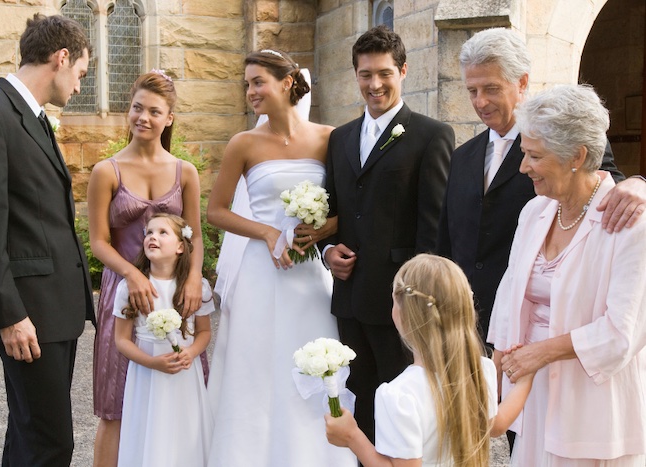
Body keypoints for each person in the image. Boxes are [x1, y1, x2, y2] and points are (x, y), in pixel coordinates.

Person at [437, 27, 646, 347]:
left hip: (533, 329)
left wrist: (639, 183)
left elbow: (608, 185)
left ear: (522, 82)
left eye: (491, 88)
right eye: (472, 90)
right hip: (465, 330)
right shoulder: (462, 157)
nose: (480, 102)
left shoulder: (565, 143)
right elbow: (447, 242)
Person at [0, 14, 94, 466]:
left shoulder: (34, 119)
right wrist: (10, 315)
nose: (79, 86)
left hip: (53, 309)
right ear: (61, 57)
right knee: (51, 443)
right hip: (28, 314)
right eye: (81, 74)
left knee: (30, 434)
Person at [206, 49, 357, 467]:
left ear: (288, 82)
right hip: (261, 271)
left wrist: (321, 231)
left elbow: (351, 207)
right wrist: (268, 232)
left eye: (258, 82)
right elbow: (215, 211)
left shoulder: (330, 138)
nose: (251, 91)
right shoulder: (244, 143)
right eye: (247, 84)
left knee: (317, 362)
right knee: (256, 366)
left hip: (310, 276)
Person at [488, 84, 646, 465]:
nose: (523, 167)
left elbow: (620, 335)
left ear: (577, 156)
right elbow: (509, 303)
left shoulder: (631, 224)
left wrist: (540, 354)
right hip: (532, 393)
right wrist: (489, 382)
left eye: (534, 156)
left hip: (594, 404)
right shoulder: (534, 213)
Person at [320, 25, 455, 442]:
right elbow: (330, 211)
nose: (374, 84)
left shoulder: (431, 136)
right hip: (349, 299)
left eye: (384, 73)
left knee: (403, 409)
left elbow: (433, 227)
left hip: (401, 303)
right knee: (357, 403)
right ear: (355, 75)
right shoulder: (339, 138)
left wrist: (417, 301)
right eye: (365, 74)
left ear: (403, 71)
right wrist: (326, 251)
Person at [86, 71, 204, 466]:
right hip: (126, 296)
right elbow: (99, 241)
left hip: (175, 296)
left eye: (155, 111)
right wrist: (133, 274)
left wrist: (192, 280)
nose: (144, 117)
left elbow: (196, 236)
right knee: (115, 405)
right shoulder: (107, 171)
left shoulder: (185, 172)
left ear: (169, 118)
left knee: (178, 395)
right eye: (137, 108)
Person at [324, 254, 535, 466]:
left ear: (402, 315)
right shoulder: (480, 368)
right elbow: (496, 425)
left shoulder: (400, 395)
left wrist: (353, 437)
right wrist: (527, 377)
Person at [113, 213, 214, 466]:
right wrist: (151, 362)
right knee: (149, 427)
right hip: (147, 373)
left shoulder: (196, 287)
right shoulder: (130, 287)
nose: (152, 237)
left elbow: (204, 332)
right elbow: (121, 340)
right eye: (148, 233)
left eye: (162, 233)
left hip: (184, 373)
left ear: (181, 247)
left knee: (184, 429)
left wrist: (191, 353)